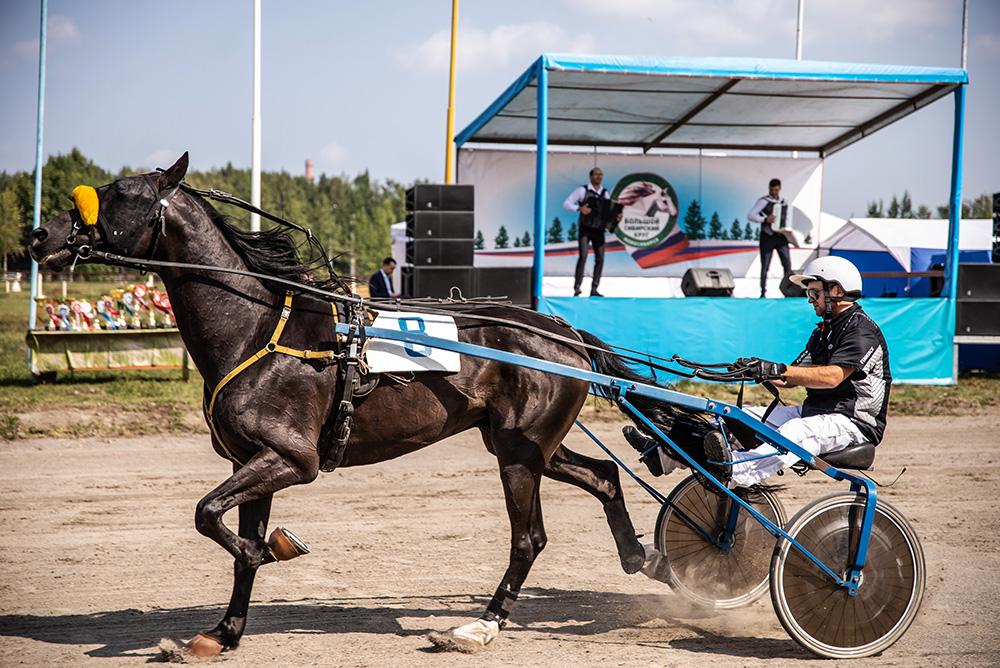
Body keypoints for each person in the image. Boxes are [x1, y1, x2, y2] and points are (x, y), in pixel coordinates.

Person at [623, 255, 891, 489]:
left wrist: (781, 369)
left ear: (836, 290)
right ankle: (663, 456)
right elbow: (792, 376)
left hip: (853, 424)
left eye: (814, 293)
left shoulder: (860, 329)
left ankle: (734, 470)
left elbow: (832, 376)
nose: (810, 300)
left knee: (796, 432)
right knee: (735, 417)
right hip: (817, 414)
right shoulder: (823, 331)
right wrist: (757, 369)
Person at [562, 167, 620, 297]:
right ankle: (577, 287)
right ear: (590, 176)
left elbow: (610, 211)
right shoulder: (582, 190)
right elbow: (566, 203)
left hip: (598, 230)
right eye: (597, 174)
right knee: (583, 256)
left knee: (600, 258)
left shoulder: (605, 193)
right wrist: (579, 208)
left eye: (601, 175)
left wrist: (615, 218)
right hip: (585, 228)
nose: (599, 177)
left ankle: (594, 288)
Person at [748, 178, 793, 298]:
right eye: (772, 190)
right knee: (765, 264)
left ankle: (789, 290)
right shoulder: (763, 201)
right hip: (767, 236)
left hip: (781, 236)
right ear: (769, 189)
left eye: (776, 190)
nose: (774, 192)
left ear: (779, 189)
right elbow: (751, 215)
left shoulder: (784, 202)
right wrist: (765, 219)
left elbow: (787, 217)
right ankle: (763, 292)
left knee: (787, 263)